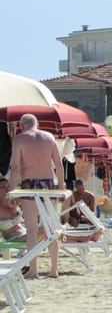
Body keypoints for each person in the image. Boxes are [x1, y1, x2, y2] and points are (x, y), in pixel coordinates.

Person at [7, 113, 65, 279]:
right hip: (48, 184)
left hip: (29, 185)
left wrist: (11, 190)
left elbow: (15, 167)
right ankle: (54, 269)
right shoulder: (49, 137)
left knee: (32, 230)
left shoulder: (20, 139)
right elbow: (59, 166)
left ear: (22, 125)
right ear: (37, 124)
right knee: (51, 227)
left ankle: (34, 269)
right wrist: (60, 186)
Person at [0, 178, 27, 242]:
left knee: (48, 230)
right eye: (3, 187)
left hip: (24, 232)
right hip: (13, 238)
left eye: (8, 186)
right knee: (47, 231)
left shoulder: (15, 200)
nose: (6, 189)